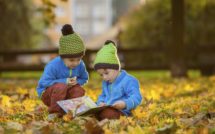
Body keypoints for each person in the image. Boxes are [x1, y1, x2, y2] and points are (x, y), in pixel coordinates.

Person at [36, 24, 89, 119]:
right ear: (62, 57)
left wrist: (78, 82)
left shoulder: (80, 65)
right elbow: (43, 83)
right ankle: (55, 112)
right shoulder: (53, 65)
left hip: (65, 95)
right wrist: (65, 81)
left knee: (78, 89)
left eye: (79, 59)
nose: (76, 63)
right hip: (49, 95)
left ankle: (73, 111)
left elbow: (84, 78)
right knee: (61, 87)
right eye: (72, 60)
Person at [93, 40, 142, 120]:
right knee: (93, 108)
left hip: (122, 112)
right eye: (101, 75)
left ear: (116, 68)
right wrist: (100, 102)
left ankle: (101, 117)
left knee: (108, 114)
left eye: (106, 73)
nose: (104, 77)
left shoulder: (129, 81)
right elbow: (103, 95)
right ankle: (98, 116)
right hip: (107, 108)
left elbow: (136, 97)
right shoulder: (106, 82)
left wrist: (124, 104)